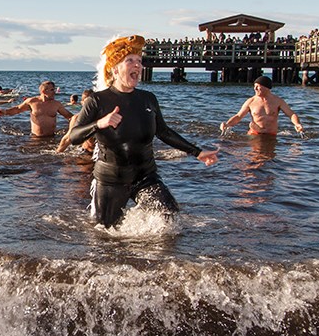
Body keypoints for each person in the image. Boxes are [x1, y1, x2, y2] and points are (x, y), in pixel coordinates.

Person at [68, 35, 219, 228]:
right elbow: (74, 137)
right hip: (111, 179)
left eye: (139, 61)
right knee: (103, 234)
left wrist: (197, 152)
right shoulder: (97, 101)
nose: (137, 65)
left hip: (145, 175)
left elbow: (163, 132)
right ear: (115, 69)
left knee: (168, 218)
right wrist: (100, 123)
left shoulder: (148, 99)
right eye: (129, 60)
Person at [220, 76, 304, 135]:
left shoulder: (278, 101)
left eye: (257, 86)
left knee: (270, 158)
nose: (255, 89)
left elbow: (291, 114)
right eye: (254, 86)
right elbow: (238, 116)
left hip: (271, 134)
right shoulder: (251, 101)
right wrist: (227, 124)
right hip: (254, 133)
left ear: (266, 87)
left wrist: (297, 124)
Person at [0, 80, 73, 137]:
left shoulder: (56, 104)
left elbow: (68, 116)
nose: (54, 92)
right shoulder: (32, 101)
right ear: (44, 91)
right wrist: (5, 112)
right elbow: (17, 109)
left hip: (52, 137)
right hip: (35, 138)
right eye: (52, 90)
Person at [57, 89, 95, 153]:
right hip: (86, 152)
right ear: (82, 103)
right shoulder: (76, 119)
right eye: (87, 103)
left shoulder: (103, 117)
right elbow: (67, 138)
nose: (89, 106)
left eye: (92, 103)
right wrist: (58, 152)